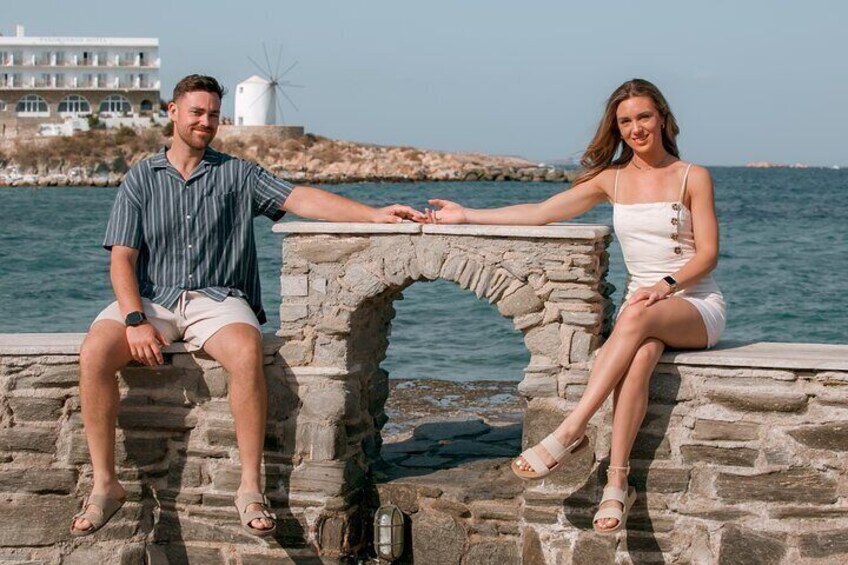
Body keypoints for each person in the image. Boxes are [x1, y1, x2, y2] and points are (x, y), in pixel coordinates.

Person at [70, 74, 422, 538]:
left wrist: (372, 214)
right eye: (197, 112)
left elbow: (300, 199)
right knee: (95, 352)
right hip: (153, 297)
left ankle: (250, 488)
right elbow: (122, 259)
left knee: (246, 351)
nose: (206, 121)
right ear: (173, 112)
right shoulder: (141, 178)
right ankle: (106, 485)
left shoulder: (238, 173)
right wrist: (134, 319)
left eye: (214, 114)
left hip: (218, 299)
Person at [423, 78, 725, 534]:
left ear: (662, 117)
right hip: (643, 313)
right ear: (617, 128)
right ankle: (617, 483)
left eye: (644, 116)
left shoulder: (692, 176)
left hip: (693, 304)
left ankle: (571, 429)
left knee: (636, 317)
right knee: (641, 355)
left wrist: (664, 286)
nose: (637, 128)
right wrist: (465, 215)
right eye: (626, 121)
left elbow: (708, 255)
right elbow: (541, 212)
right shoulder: (611, 179)